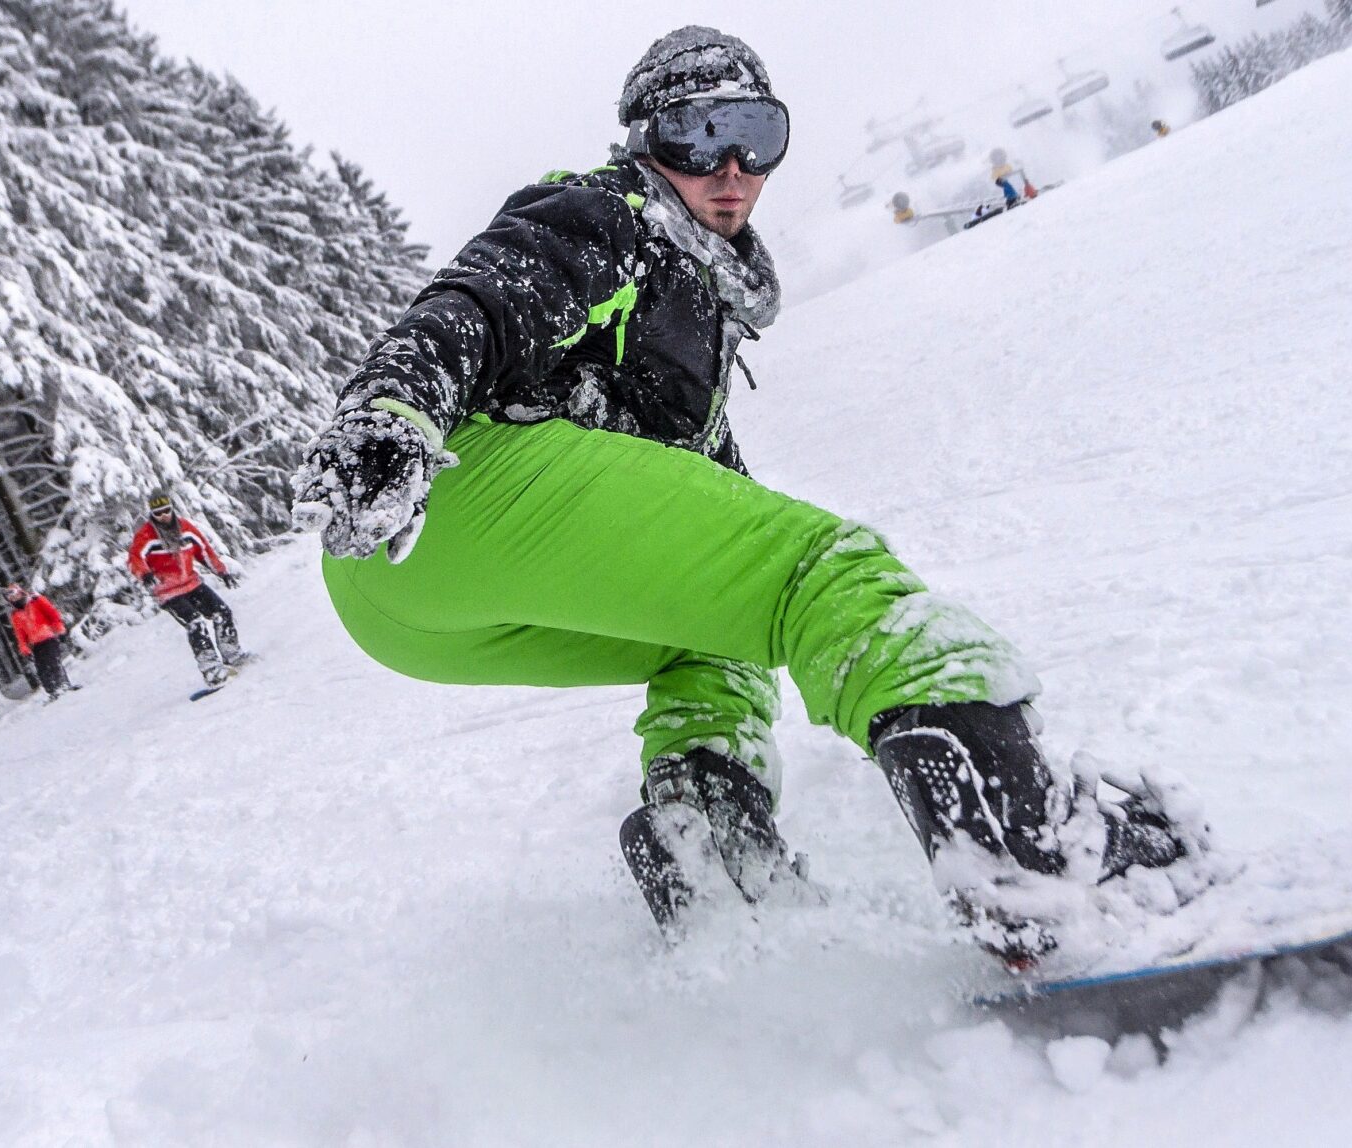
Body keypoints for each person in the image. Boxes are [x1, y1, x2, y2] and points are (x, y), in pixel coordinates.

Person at [292, 27, 1215, 971]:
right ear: (648, 139)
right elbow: (486, 297)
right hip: (437, 493)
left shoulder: (699, 305)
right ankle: (1041, 857)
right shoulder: (608, 215)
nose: (730, 169)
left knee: (726, 632)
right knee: (829, 578)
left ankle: (717, 852)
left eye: (756, 137)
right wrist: (393, 408)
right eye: (699, 135)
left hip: (410, 608)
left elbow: (705, 495)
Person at [127, 493, 245, 688]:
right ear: (152, 515)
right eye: (158, 513)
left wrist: (221, 572)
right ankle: (211, 670)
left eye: (166, 511)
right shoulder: (146, 535)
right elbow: (135, 558)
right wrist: (145, 574)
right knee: (195, 623)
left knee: (222, 611)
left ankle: (232, 654)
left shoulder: (185, 528)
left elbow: (204, 550)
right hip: (167, 591)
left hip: (192, 583)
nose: (164, 516)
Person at [5, 583, 78, 698]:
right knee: (42, 669)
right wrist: (24, 648)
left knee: (53, 662)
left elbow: (52, 613)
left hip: (48, 636)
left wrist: (59, 628)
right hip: (35, 644)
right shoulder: (15, 615)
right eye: (11, 598)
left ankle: (63, 684)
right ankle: (52, 690)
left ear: (20, 593)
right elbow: (20, 634)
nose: (14, 599)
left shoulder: (36, 600)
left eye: (15, 595)